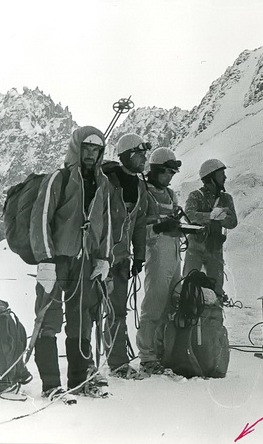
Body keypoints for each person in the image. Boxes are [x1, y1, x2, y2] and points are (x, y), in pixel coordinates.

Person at [30, 126, 112, 398]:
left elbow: (106, 223)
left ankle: (78, 381)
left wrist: (103, 258)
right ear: (77, 148)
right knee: (48, 320)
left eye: (96, 150)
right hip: (57, 260)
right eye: (86, 148)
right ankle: (51, 385)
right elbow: (41, 218)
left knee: (82, 321)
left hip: (85, 262)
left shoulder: (102, 183)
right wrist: (45, 260)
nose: (91, 154)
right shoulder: (59, 178)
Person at [102, 133, 150, 379]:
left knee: (117, 311)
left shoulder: (139, 186)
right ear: (128, 155)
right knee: (90, 311)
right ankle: (88, 365)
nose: (144, 159)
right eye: (140, 155)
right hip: (99, 257)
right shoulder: (108, 181)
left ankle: (117, 362)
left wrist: (139, 255)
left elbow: (139, 222)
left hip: (121, 259)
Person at [136, 147, 183, 375]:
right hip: (156, 252)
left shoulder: (171, 195)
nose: (170, 177)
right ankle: (147, 355)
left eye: (173, 173)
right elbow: (137, 228)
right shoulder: (145, 192)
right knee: (154, 303)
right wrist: (159, 227)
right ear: (156, 170)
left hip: (173, 250)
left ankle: (162, 351)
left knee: (171, 303)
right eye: (167, 172)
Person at [183, 159, 238, 299]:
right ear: (211, 177)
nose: (225, 177)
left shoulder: (226, 198)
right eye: (221, 174)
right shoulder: (195, 196)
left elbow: (233, 222)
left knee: (216, 290)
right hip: (195, 249)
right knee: (189, 287)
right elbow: (189, 215)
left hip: (215, 250)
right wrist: (214, 215)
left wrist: (222, 217)